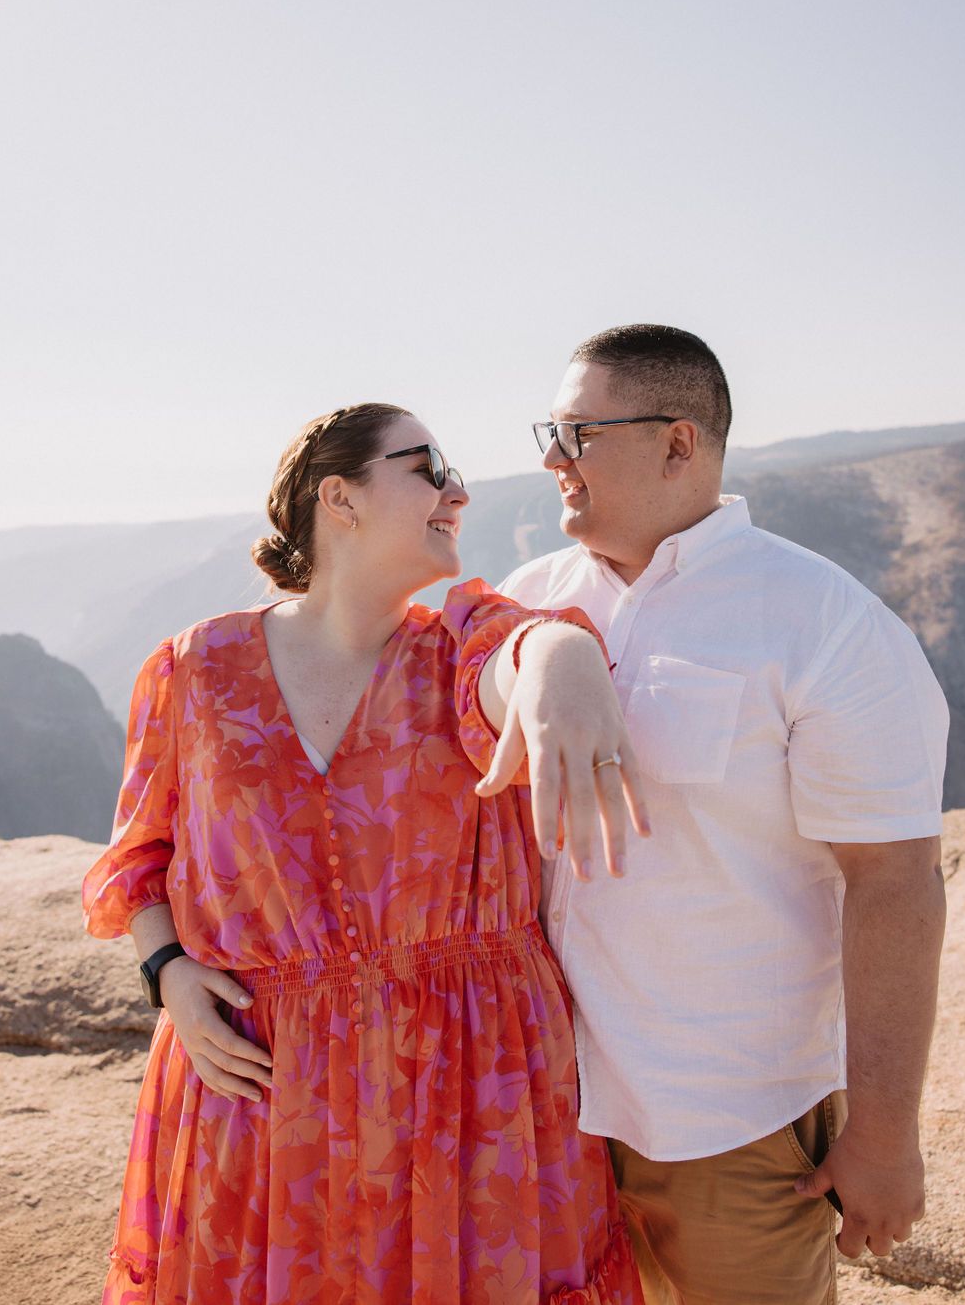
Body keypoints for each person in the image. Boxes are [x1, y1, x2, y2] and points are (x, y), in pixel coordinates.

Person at [83, 402, 646, 1305]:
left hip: (465, 1082)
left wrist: (561, 658)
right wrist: (168, 972)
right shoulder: (195, 670)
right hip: (259, 1083)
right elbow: (141, 853)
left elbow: (518, 662)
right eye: (428, 467)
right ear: (337, 497)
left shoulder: (460, 645)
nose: (458, 491)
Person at [480, 325, 948, 1305]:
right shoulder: (523, 602)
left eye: (576, 432)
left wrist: (884, 1132)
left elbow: (893, 881)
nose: (549, 458)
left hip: (736, 1122)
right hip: (543, 1110)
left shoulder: (824, 621)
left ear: (677, 443)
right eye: (550, 431)